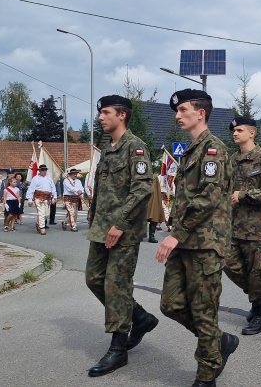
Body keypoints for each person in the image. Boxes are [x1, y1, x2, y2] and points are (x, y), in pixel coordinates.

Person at [156, 89, 239, 387]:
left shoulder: (213, 149)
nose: (177, 116)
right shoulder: (192, 150)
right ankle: (219, 341)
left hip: (205, 244)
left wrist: (175, 234)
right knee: (170, 304)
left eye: (183, 110)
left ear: (200, 113)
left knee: (204, 313)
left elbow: (209, 197)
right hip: (185, 241)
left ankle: (206, 375)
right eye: (177, 111)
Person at [85, 95, 158, 377]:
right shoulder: (108, 148)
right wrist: (94, 219)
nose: (101, 117)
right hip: (101, 228)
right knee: (94, 279)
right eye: (100, 113)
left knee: (117, 284)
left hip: (122, 230)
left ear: (122, 115)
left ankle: (118, 349)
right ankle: (140, 317)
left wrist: (120, 223)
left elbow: (142, 190)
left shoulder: (135, 147)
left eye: (106, 113)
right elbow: (102, 190)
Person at [224, 115, 261, 336]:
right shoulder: (232, 160)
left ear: (252, 133)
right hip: (234, 227)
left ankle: (260, 313)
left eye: (239, 130)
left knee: (257, 273)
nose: (235, 133)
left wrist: (243, 195)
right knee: (228, 264)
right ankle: (260, 299)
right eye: (234, 130)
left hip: (257, 229)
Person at [25, 165, 57, 235]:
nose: (44, 171)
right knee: (41, 213)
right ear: (39, 171)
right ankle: (42, 228)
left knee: (47, 214)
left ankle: (39, 223)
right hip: (39, 197)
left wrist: (54, 196)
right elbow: (31, 189)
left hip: (47, 198)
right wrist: (30, 199)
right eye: (42, 170)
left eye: (45, 170)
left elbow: (53, 187)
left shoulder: (49, 178)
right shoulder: (35, 179)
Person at [146, 175, 165, 243]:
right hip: (142, 197)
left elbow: (157, 190)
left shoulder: (154, 177)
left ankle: (151, 236)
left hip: (152, 198)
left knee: (154, 215)